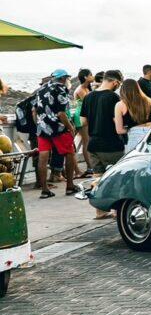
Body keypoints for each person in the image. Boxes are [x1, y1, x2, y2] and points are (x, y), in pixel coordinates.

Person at [80, 70, 124, 219]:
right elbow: (116, 121)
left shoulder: (88, 96)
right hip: (111, 143)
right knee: (117, 177)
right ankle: (117, 210)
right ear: (115, 82)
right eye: (119, 84)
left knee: (97, 178)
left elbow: (83, 122)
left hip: (93, 144)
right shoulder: (113, 97)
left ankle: (99, 211)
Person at [34, 69, 79, 199]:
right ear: (64, 78)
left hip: (42, 128)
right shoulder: (61, 89)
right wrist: (70, 127)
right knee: (69, 153)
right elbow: (61, 113)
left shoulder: (41, 89)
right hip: (58, 128)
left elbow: (35, 109)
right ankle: (70, 186)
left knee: (43, 158)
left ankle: (44, 190)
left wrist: (40, 123)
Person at [116, 79, 151, 153]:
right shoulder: (146, 99)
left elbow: (119, 130)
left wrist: (131, 129)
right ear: (138, 88)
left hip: (135, 135)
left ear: (123, 89)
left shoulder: (120, 104)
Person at [72, 69, 96, 177]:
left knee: (88, 141)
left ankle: (91, 166)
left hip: (86, 115)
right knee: (86, 142)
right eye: (91, 75)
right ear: (85, 77)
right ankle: (90, 167)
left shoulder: (87, 88)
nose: (93, 76)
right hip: (81, 116)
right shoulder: (81, 89)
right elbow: (89, 104)